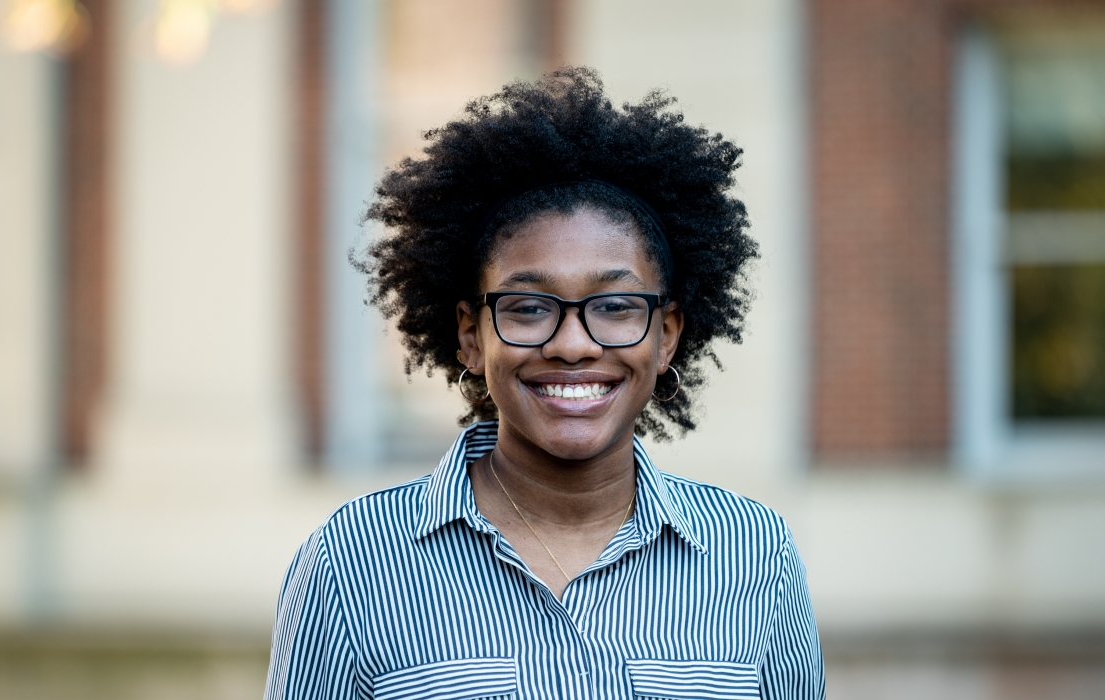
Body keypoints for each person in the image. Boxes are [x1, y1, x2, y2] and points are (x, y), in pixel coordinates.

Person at [264, 67, 824, 700]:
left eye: (616, 307)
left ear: (666, 334)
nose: (573, 345)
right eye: (528, 309)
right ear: (472, 336)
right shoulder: (351, 565)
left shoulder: (755, 557)